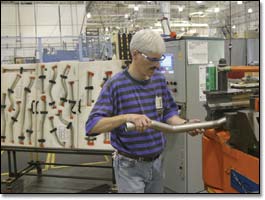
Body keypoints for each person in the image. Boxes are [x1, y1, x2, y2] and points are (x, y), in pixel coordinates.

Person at [85, 29, 203, 193]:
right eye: (152, 59)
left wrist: (186, 124)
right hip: (129, 167)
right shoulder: (115, 85)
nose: (157, 65)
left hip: (157, 163)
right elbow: (92, 126)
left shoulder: (159, 79)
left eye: (159, 59)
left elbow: (168, 112)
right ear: (135, 54)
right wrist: (127, 117)